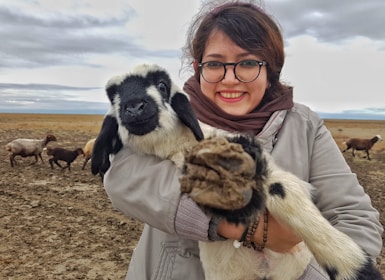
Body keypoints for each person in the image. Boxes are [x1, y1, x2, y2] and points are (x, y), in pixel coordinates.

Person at [103, 0, 383, 279]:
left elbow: (354, 216)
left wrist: (309, 271)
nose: (229, 79)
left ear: (271, 68)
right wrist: (246, 227)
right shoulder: (166, 113)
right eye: (215, 64)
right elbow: (123, 175)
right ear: (197, 66)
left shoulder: (304, 125)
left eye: (247, 63)